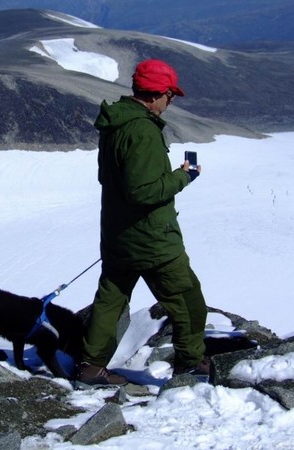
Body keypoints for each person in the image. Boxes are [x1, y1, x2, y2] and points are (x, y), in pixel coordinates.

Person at [77, 59, 209, 386]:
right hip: (152, 240)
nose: (171, 100)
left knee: (111, 300)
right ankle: (192, 365)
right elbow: (144, 192)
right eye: (169, 94)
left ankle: (91, 367)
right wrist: (183, 176)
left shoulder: (116, 124)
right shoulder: (143, 130)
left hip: (118, 234)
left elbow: (116, 180)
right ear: (154, 95)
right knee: (188, 300)